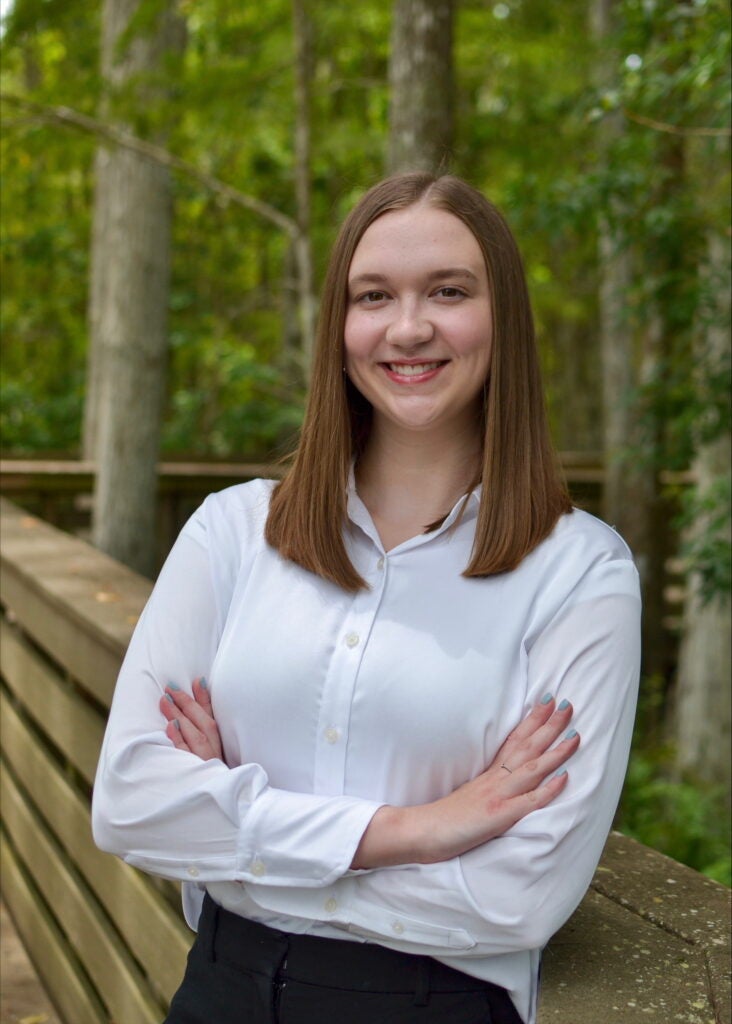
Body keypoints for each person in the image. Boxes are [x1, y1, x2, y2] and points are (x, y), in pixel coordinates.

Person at [92, 173, 641, 1024]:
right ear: (338, 327)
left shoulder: (580, 574)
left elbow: (520, 897)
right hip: (217, 994)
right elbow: (131, 803)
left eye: (449, 292)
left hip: (430, 1007)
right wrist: (415, 830)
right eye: (373, 295)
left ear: (504, 321)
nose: (408, 326)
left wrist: (242, 841)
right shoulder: (233, 534)